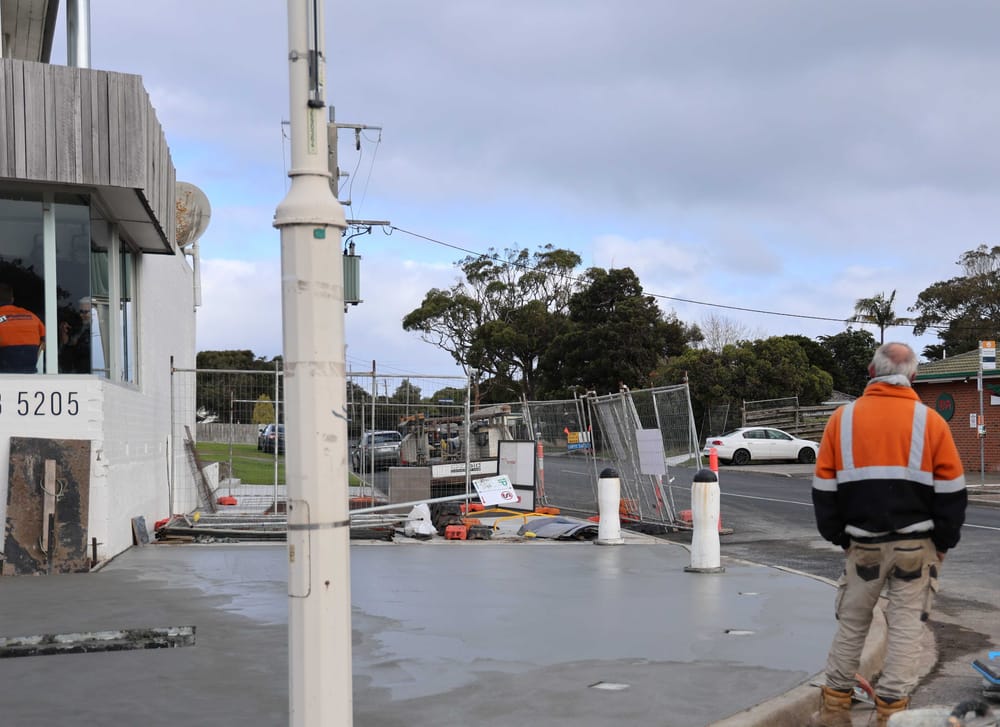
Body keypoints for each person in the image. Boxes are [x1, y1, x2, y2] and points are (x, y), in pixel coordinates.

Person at [810, 342, 967, 727]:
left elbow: (824, 489)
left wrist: (840, 537)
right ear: (913, 376)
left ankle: (834, 712)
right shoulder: (931, 422)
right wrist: (943, 543)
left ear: (871, 371)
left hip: (862, 545)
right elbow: (952, 492)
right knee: (906, 630)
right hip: (916, 547)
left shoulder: (842, 420)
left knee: (852, 626)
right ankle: (890, 716)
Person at [0, 283, 45, 373]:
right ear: (12, 300)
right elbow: (45, 341)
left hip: (4, 373)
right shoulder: (33, 317)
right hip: (30, 372)